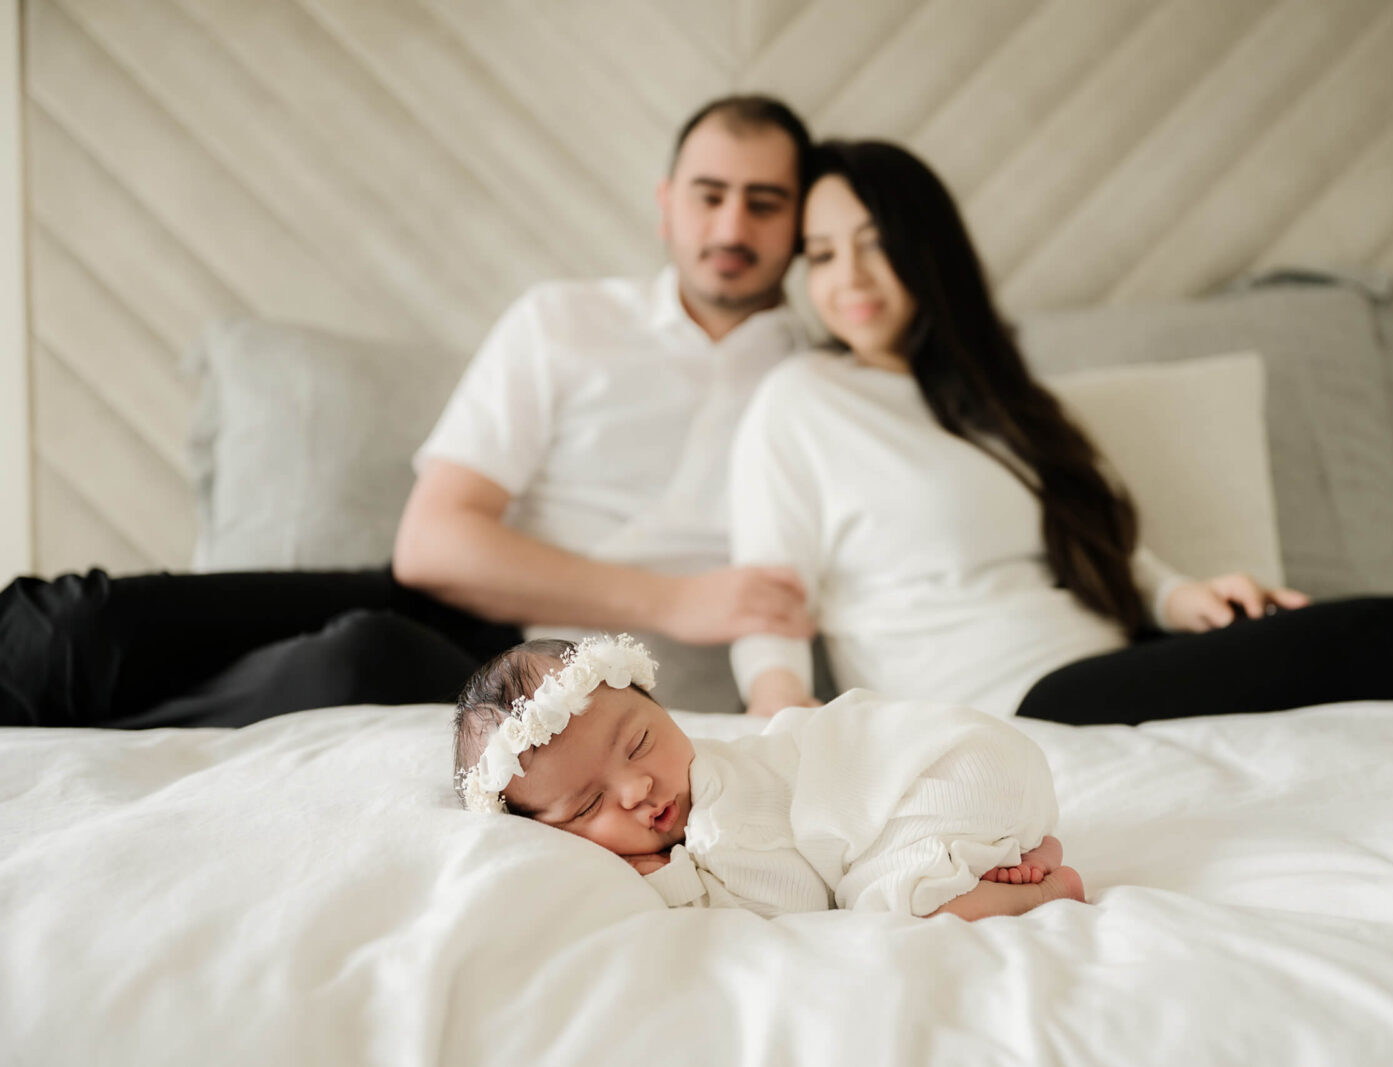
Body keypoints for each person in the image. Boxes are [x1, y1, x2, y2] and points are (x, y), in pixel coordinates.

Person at [0, 95, 816, 730]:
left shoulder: (816, 390)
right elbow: (434, 544)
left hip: (567, 680)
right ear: (668, 203)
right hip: (451, 599)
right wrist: (675, 601)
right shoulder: (564, 320)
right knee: (72, 626)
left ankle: (108, 741)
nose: (731, 226)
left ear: (801, 221)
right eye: (710, 196)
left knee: (359, 664)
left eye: (765, 202)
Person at [727, 139, 1393, 723]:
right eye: (824, 253)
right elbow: (767, 602)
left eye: (875, 244)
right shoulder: (799, 402)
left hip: (1108, 658)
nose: (849, 277)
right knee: (1363, 641)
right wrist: (792, 732)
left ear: (928, 251)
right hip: (1008, 701)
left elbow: (1100, 538)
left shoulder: (991, 399)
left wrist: (1184, 598)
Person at [452, 633, 1084, 920]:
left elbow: (799, 896)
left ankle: (1040, 891)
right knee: (888, 855)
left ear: (659, 708)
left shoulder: (722, 811)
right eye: (589, 804)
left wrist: (675, 883)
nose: (635, 788)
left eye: (640, 742)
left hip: (943, 766)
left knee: (888, 903)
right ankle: (1006, 848)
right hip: (978, 767)